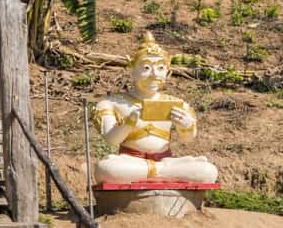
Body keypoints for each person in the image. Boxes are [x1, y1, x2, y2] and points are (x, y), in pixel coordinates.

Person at [93, 32, 217, 184]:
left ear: (168, 72)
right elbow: (112, 140)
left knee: (208, 171)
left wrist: (186, 126)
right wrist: (129, 122)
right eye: (146, 68)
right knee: (106, 169)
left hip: (164, 161)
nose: (154, 75)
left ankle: (158, 170)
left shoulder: (178, 104)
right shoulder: (111, 103)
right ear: (131, 70)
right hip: (130, 162)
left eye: (160, 68)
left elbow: (188, 139)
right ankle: (163, 172)